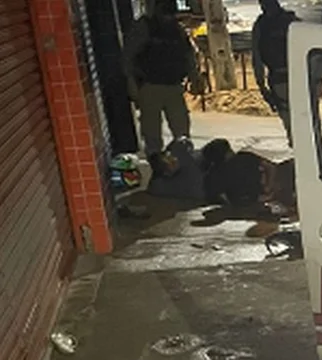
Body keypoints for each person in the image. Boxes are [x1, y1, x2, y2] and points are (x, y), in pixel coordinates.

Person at [122, 0, 203, 167]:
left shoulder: (176, 29)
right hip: (150, 86)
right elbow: (128, 58)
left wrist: (195, 77)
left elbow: (187, 55)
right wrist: (131, 84)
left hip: (173, 86)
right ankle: (157, 166)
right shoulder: (144, 27)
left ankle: (183, 163)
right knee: (152, 133)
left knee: (181, 129)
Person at [201, 139, 297, 238]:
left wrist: (269, 187)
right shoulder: (238, 162)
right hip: (270, 190)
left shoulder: (241, 160)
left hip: (272, 187)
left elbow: (270, 167)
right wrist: (269, 191)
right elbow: (270, 167)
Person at [252, 0, 299, 145]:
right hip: (283, 78)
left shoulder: (288, 21)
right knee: (298, 121)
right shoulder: (288, 21)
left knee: (297, 122)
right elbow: (257, 57)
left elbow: (257, 57)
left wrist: (261, 85)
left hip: (292, 77)